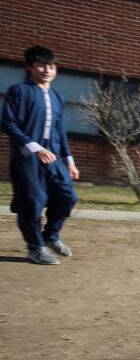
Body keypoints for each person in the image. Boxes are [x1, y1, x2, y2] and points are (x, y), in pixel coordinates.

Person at [2, 45, 79, 264]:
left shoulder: (57, 97)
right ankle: (35, 247)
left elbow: (60, 131)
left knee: (68, 196)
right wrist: (34, 147)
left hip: (53, 157)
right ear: (30, 67)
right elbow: (8, 123)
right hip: (28, 159)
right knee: (32, 202)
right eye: (41, 65)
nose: (47, 70)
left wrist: (69, 161)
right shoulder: (19, 91)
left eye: (52, 66)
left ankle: (50, 236)